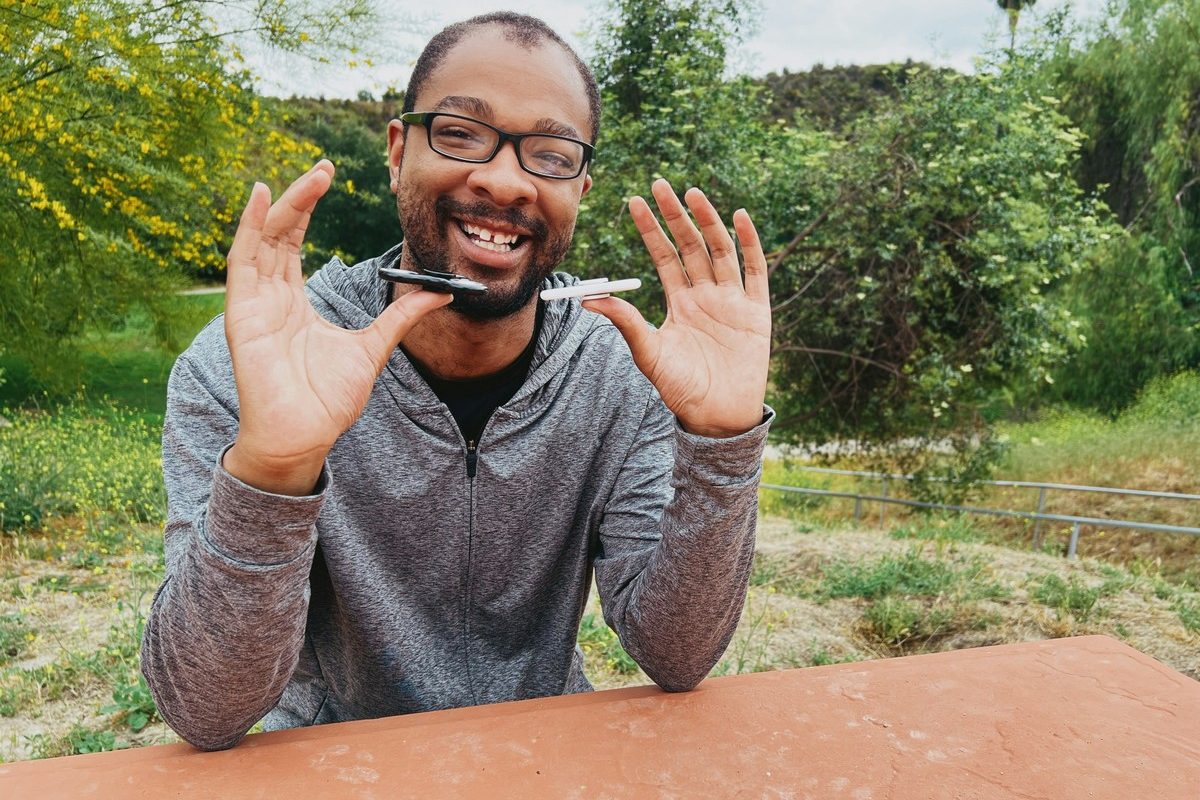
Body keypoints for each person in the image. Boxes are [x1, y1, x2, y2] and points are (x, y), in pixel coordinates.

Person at [141, 12, 773, 751]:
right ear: (398, 151)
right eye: (462, 133)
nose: (504, 180)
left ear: (581, 188)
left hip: (540, 760)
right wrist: (274, 468)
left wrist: (721, 443)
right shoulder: (251, 366)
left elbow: (677, 654)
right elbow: (205, 711)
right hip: (332, 768)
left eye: (550, 153)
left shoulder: (622, 374)